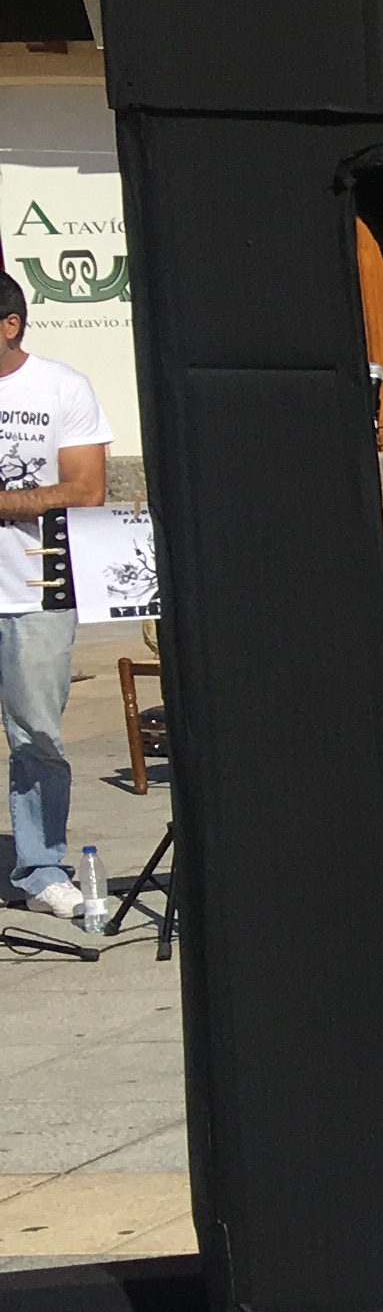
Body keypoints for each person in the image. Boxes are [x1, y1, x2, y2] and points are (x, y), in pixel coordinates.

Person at [0, 273, 107, 922]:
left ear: (10, 324)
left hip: (33, 591)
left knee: (37, 734)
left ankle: (41, 866)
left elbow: (86, 488)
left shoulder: (61, 387)